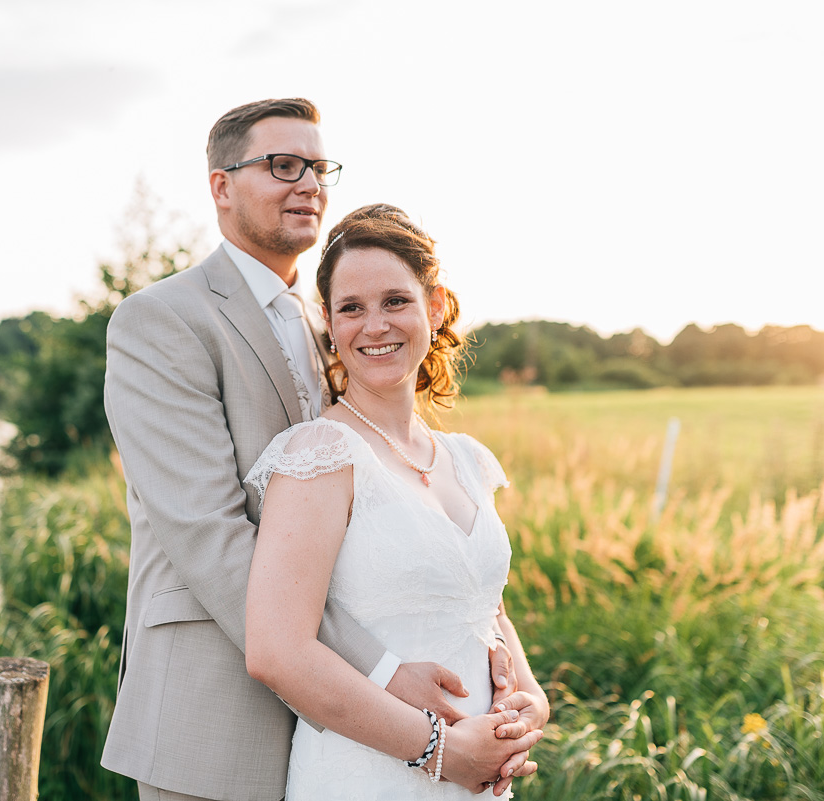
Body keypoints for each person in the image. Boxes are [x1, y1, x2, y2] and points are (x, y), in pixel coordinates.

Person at [100, 98, 535, 801]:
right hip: (216, 717)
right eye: (281, 165)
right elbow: (211, 536)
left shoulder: (333, 314)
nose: (308, 183)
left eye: (318, 166)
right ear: (221, 186)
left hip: (354, 732)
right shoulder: (162, 321)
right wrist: (386, 670)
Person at [244, 207, 550, 798]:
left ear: (434, 307)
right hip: (371, 773)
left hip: (479, 779)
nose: (374, 325)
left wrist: (529, 705)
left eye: (395, 301)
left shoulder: (465, 459)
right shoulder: (320, 454)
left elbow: (486, 608)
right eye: (351, 308)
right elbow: (277, 652)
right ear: (330, 325)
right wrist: (438, 751)